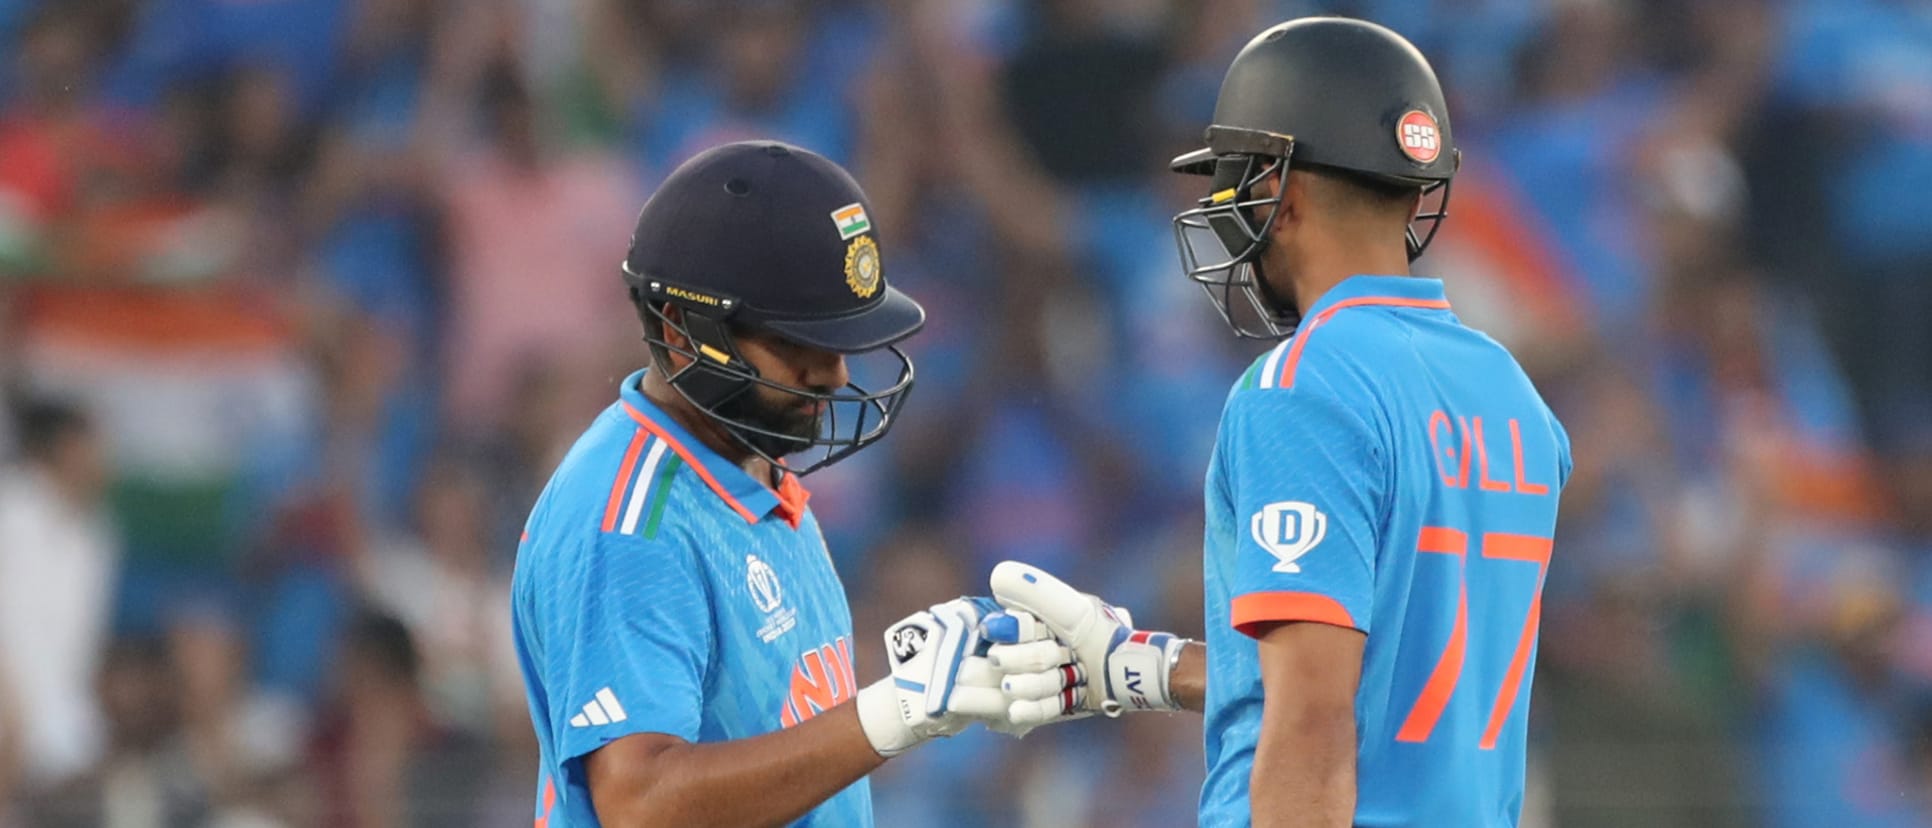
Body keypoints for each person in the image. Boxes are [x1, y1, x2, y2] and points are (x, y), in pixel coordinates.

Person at [981, 17, 1572, 827]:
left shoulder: (1303, 383)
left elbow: (1315, 721)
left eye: (1232, 181)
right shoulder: (1509, 390)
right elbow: (1381, 674)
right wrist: (1146, 668)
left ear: (1278, 190)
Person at [509, 140, 1041, 827]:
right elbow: (640, 802)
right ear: (679, 331)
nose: (837, 375)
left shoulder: (749, 463)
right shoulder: (631, 526)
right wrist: (892, 710)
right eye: (796, 344)